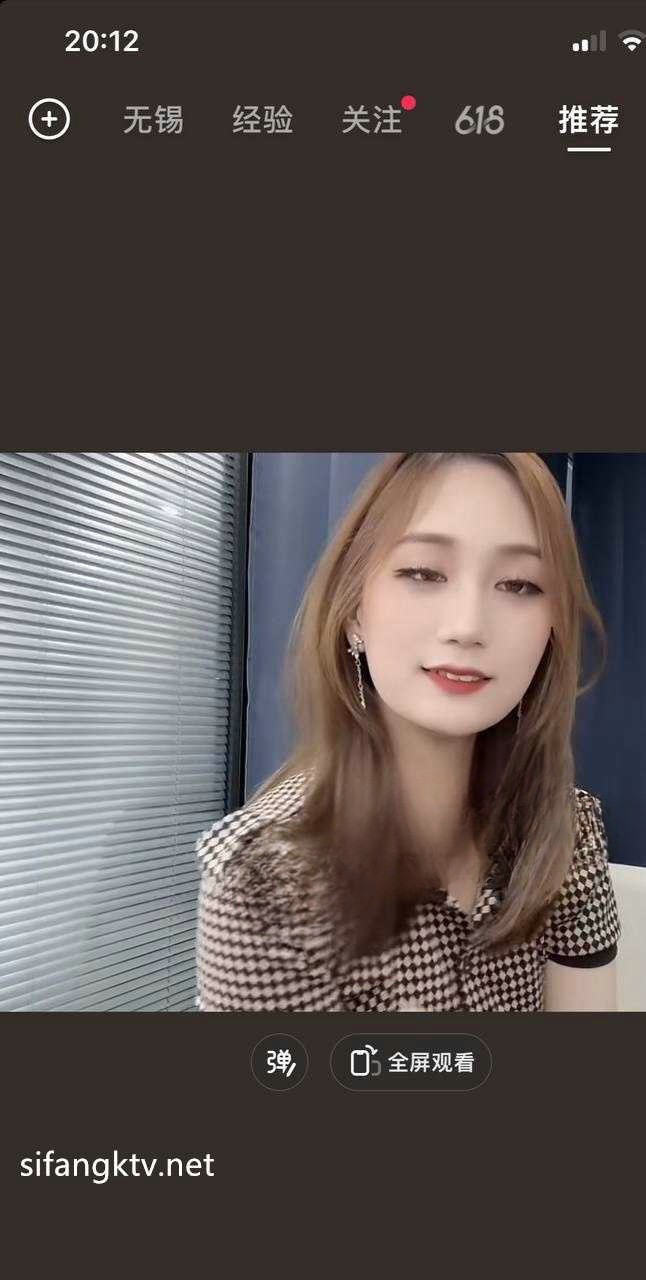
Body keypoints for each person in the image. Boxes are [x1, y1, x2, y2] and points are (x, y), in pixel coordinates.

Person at [195, 452, 621, 1012]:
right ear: (354, 612)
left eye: (519, 584)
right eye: (423, 573)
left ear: (552, 629)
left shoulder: (564, 829)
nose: (467, 626)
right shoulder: (268, 881)